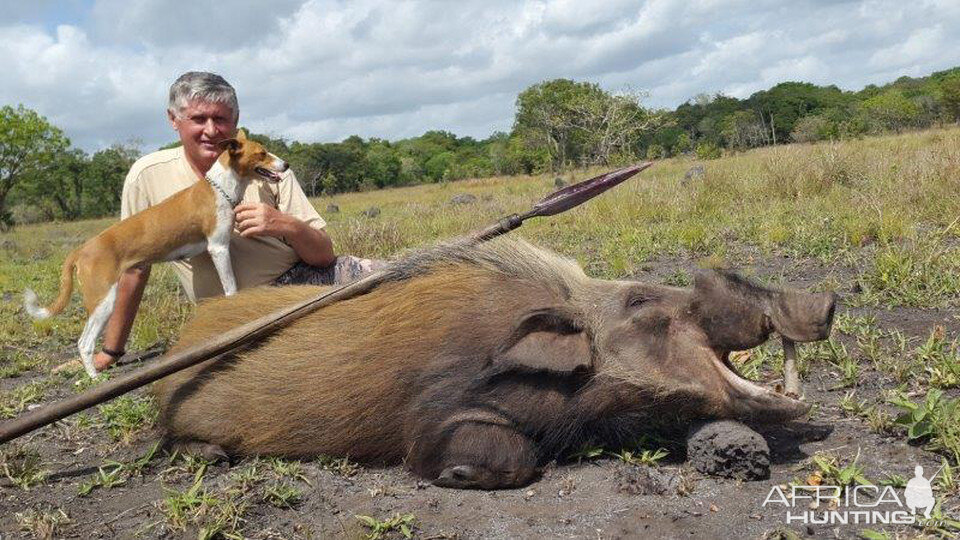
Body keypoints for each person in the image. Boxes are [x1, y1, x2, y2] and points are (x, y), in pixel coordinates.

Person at [87, 71, 382, 373]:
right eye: (198, 119)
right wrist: (111, 351)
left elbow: (324, 255)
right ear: (174, 119)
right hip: (233, 311)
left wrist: (284, 224)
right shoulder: (146, 176)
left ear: (236, 122)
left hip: (300, 281)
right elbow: (134, 266)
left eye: (222, 119)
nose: (211, 130)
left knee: (393, 285)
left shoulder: (266, 166)